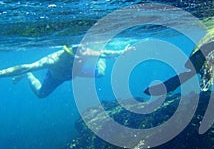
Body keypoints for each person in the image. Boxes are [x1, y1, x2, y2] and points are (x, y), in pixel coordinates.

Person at [0, 44, 134, 98]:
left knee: (101, 72)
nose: (81, 58)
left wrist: (120, 52)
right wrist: (1, 73)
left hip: (77, 73)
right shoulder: (53, 60)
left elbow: (102, 52)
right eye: (76, 56)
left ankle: (103, 61)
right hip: (56, 77)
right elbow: (26, 66)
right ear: (68, 53)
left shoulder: (84, 52)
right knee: (41, 94)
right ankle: (28, 77)